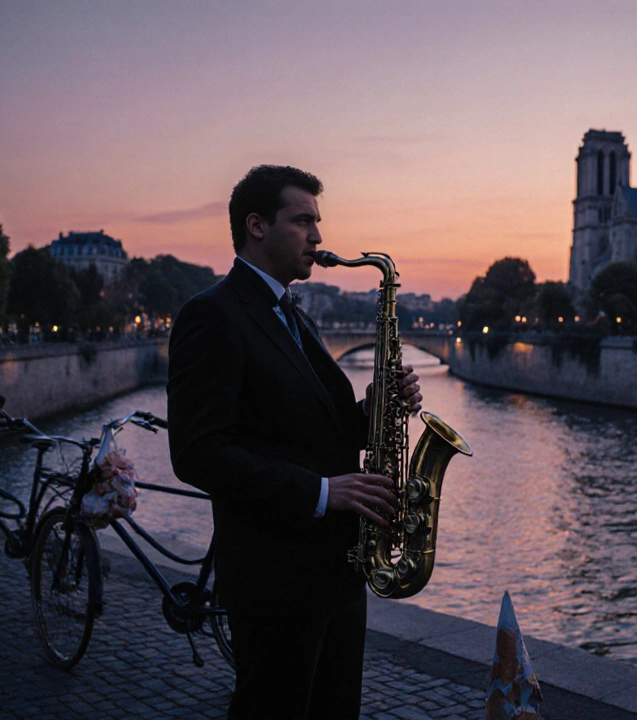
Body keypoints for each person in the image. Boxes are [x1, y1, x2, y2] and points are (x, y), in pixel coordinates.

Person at [167, 165, 422, 719]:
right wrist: (324, 493)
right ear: (256, 226)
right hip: (275, 583)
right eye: (303, 220)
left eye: (318, 221)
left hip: (336, 573)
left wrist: (378, 409)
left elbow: (315, 429)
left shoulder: (293, 313)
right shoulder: (212, 315)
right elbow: (196, 453)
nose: (319, 237)